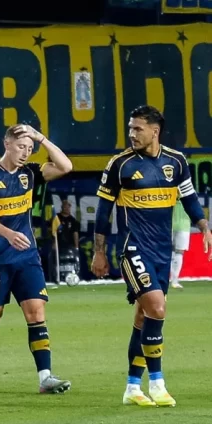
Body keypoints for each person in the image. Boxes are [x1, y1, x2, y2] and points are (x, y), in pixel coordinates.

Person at [92, 105, 212, 407]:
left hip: (161, 251)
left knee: (144, 315)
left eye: (138, 129)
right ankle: (157, 383)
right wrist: (99, 252)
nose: (132, 134)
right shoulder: (119, 165)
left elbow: (189, 197)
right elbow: (103, 213)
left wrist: (203, 226)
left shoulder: (176, 161)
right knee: (157, 309)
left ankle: (133, 387)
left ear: (155, 131)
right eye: (130, 128)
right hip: (132, 247)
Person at [0, 124, 73, 394]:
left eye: (30, 149)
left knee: (36, 311)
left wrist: (41, 138)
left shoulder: (30, 173)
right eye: (21, 146)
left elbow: (66, 166)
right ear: (7, 144)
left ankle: (45, 378)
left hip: (26, 256)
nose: (25, 153)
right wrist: (9, 234)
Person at [50, 199, 79, 283]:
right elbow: (51, 230)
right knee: (52, 258)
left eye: (68, 206)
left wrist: (76, 246)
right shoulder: (57, 218)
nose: (67, 208)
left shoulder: (72, 220)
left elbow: (75, 233)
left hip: (69, 244)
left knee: (75, 259)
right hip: (58, 244)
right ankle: (54, 277)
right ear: (62, 207)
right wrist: (54, 242)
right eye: (65, 206)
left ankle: (75, 276)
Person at [170, 199, 191, 289]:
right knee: (178, 252)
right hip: (182, 226)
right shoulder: (189, 196)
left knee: (172, 252)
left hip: (171, 225)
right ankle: (174, 280)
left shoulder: (170, 193)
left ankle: (173, 279)